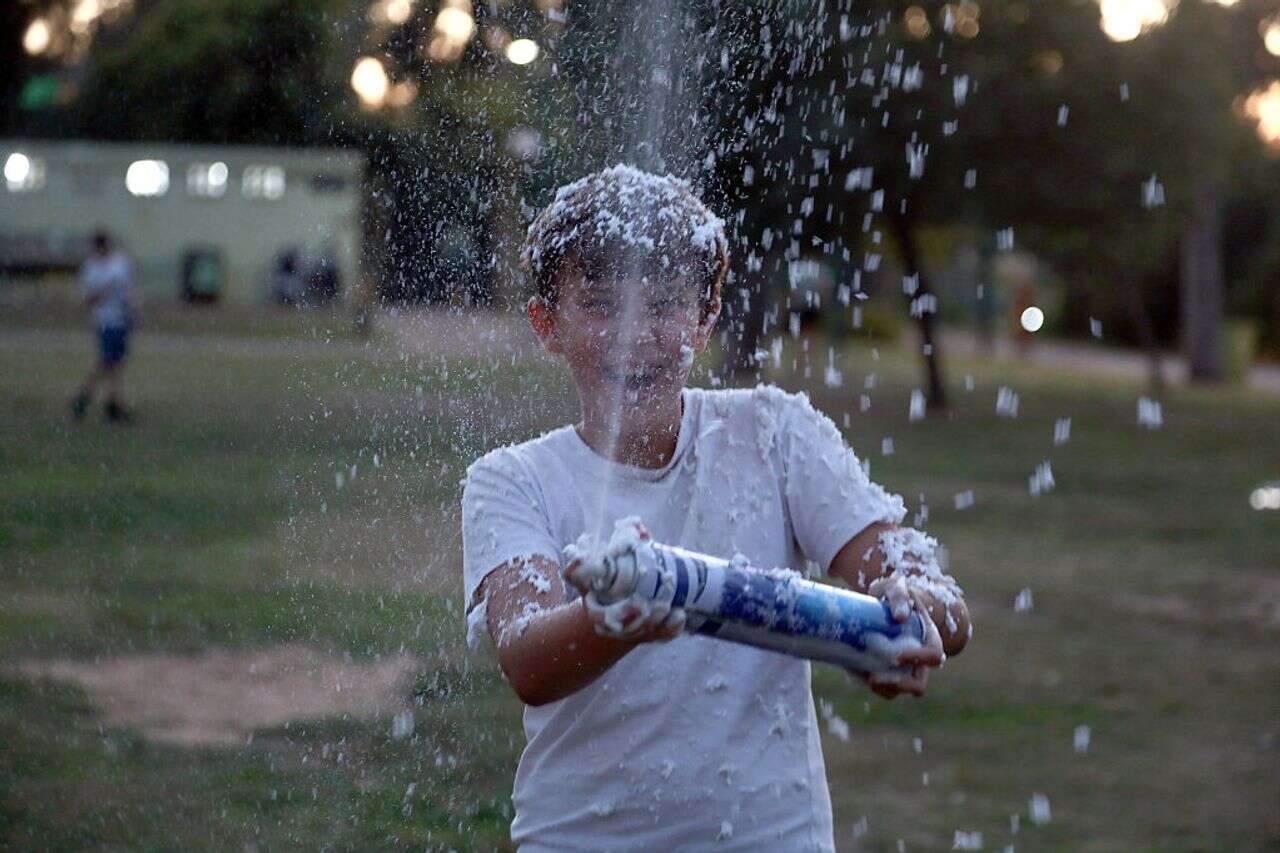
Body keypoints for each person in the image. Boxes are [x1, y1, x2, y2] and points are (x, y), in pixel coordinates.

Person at [461, 166, 971, 851]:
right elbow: (527, 656)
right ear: (547, 323)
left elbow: (917, 576)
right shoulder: (514, 478)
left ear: (705, 319)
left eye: (666, 302)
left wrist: (917, 601)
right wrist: (617, 620)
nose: (634, 335)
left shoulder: (775, 433)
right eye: (602, 303)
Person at [72, 231, 135, 423]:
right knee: (106, 361)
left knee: (117, 362)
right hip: (105, 320)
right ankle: (85, 396)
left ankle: (112, 403)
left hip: (121, 318)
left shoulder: (120, 263)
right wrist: (104, 291)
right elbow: (88, 299)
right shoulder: (91, 268)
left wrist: (133, 310)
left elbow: (127, 290)